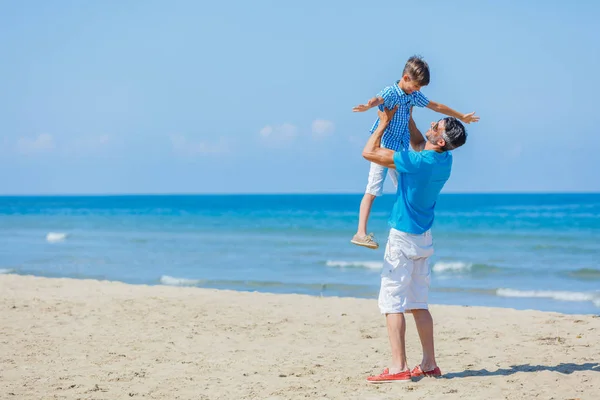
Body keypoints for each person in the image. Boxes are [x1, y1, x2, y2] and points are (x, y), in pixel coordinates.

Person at [362, 105, 468, 383]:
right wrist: (408, 117)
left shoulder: (417, 162)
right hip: (424, 238)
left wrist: (384, 123)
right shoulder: (444, 160)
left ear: (441, 141)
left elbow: (369, 153)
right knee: (419, 303)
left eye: (437, 126)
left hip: (403, 237)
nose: (432, 125)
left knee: (391, 302)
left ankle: (398, 367)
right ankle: (430, 363)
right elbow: (421, 142)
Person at [351, 55, 479, 250]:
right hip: (384, 145)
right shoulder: (393, 92)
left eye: (420, 88)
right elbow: (379, 98)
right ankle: (360, 232)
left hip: (401, 146)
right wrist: (368, 105)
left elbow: (436, 106)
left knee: (404, 185)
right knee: (373, 189)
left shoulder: (412, 96)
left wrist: (461, 116)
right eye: (417, 86)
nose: (418, 91)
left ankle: (409, 225)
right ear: (405, 78)